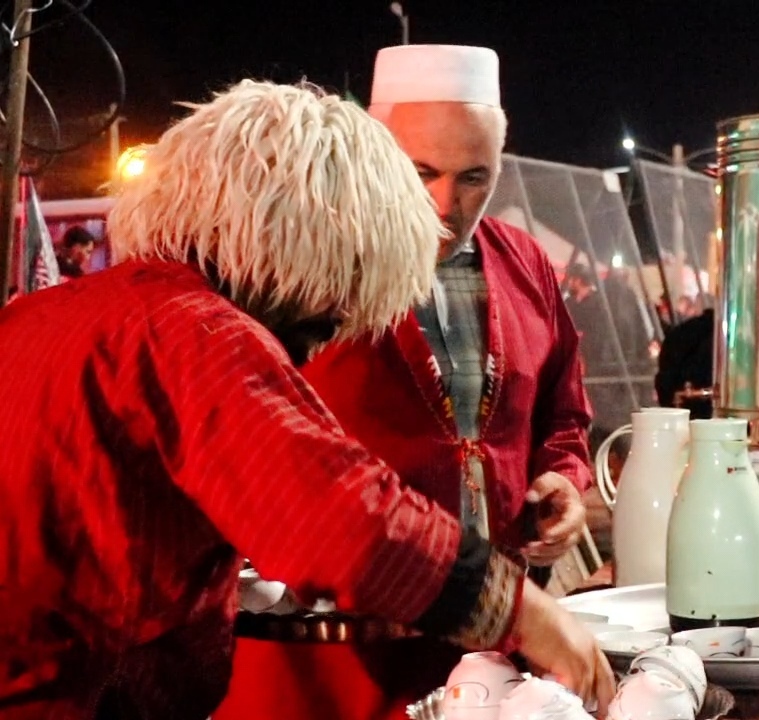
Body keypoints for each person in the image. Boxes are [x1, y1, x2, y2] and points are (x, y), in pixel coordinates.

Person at [0, 80, 612, 720]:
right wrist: (521, 611)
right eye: (348, 282)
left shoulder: (50, 315)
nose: (338, 323)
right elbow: (336, 517)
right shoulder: (193, 332)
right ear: (305, 234)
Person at [216, 46, 597, 720]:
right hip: (326, 657)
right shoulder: (308, 264)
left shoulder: (524, 263)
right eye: (421, 172)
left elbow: (562, 412)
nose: (447, 204)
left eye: (474, 177)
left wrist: (560, 478)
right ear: (374, 151)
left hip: (488, 657)